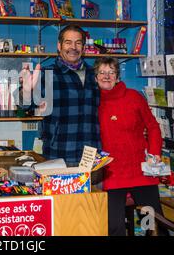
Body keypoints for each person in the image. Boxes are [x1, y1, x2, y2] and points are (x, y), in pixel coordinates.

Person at [94, 57, 165, 236]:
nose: (106, 76)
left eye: (111, 72)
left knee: (151, 223)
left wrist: (155, 152)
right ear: (95, 78)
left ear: (118, 77)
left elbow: (153, 127)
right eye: (102, 72)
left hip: (140, 171)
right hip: (111, 173)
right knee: (113, 226)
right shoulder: (93, 102)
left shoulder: (134, 97)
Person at [21, 25, 101, 165]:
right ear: (59, 46)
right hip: (58, 156)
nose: (73, 47)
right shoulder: (48, 75)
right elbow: (25, 105)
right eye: (68, 42)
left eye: (78, 43)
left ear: (83, 47)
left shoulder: (95, 74)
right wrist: (26, 91)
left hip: (91, 157)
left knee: (93, 188)